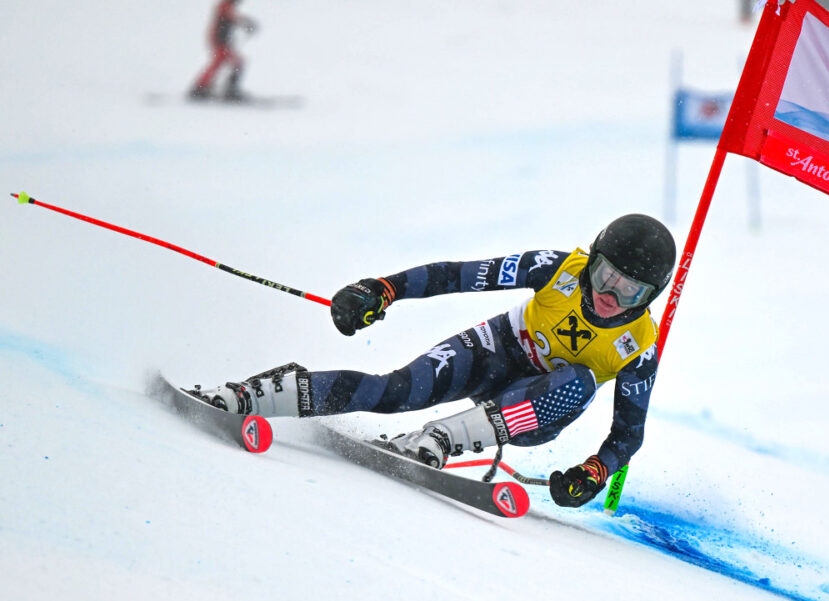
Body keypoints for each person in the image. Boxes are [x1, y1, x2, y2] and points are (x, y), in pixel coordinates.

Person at [193, 214, 676, 508]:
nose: (610, 294)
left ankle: (439, 439)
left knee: (579, 382)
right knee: (395, 391)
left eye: (630, 289)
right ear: (591, 260)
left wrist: (594, 470)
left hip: (534, 410)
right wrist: (384, 289)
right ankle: (251, 395)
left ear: (649, 296)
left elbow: (628, 434)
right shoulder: (556, 268)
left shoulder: (640, 346)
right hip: (497, 349)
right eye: (605, 274)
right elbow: (457, 276)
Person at [189, 0, 257, 101]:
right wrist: (247, 23)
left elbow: (232, 17)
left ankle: (201, 87)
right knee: (237, 62)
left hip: (220, 40)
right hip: (219, 40)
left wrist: (246, 23)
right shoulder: (224, 5)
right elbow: (232, 17)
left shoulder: (226, 5)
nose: (238, 1)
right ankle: (228, 90)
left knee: (222, 63)